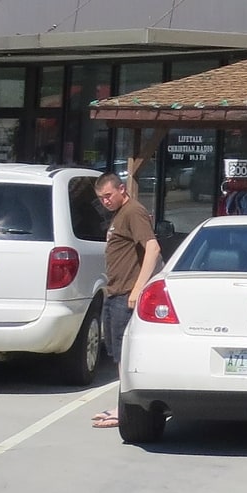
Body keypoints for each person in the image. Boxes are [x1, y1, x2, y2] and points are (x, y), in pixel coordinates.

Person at [91, 171, 159, 429]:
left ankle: (126, 411)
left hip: (126, 295)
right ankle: (121, 405)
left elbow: (152, 248)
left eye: (109, 195)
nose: (106, 201)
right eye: (101, 198)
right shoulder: (119, 215)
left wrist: (138, 289)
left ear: (122, 189)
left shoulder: (133, 211)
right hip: (115, 292)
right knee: (117, 356)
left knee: (125, 355)